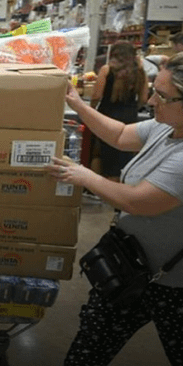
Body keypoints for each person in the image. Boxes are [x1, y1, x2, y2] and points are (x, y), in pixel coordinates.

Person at [48, 53, 183, 366]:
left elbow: (136, 201)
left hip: (172, 285)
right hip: (132, 268)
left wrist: (86, 176)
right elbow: (121, 135)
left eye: (161, 95)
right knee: (88, 349)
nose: (150, 100)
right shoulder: (167, 128)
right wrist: (78, 105)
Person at [89, 41, 149, 181]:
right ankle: (118, 185)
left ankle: (95, 188)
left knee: (99, 153)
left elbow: (97, 96)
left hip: (107, 115)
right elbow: (144, 99)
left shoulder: (106, 70)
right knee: (123, 153)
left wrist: (91, 110)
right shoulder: (140, 72)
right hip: (129, 117)